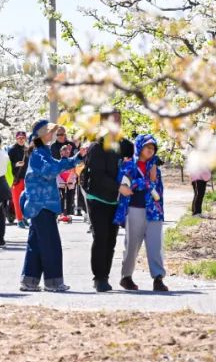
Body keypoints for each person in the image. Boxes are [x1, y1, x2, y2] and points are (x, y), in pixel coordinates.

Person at [19, 120, 79, 292]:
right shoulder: (39, 153)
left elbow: (55, 166)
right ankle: (53, 282)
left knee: (36, 245)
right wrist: (68, 159)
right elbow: (51, 171)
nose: (52, 134)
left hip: (39, 205)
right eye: (50, 131)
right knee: (51, 244)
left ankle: (29, 281)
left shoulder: (41, 151)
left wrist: (75, 158)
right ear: (41, 134)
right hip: (42, 204)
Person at [83, 107, 130, 292]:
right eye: (113, 120)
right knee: (101, 236)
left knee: (111, 239)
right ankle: (99, 277)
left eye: (119, 119)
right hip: (97, 198)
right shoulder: (97, 146)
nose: (117, 123)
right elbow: (98, 176)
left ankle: (106, 275)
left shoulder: (122, 145)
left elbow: (139, 154)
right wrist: (119, 187)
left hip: (114, 200)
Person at [116, 134, 169, 293]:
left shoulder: (155, 167)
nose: (150, 150)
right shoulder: (128, 165)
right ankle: (126, 276)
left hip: (153, 210)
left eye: (153, 148)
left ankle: (158, 278)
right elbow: (123, 185)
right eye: (147, 147)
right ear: (139, 147)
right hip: (134, 208)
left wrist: (152, 179)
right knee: (132, 245)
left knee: (155, 245)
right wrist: (141, 182)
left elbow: (158, 190)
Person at [8, 131, 28, 229]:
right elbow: (7, 165)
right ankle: (19, 220)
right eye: (19, 138)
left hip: (26, 178)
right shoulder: (12, 150)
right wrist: (16, 164)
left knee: (25, 200)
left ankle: (24, 217)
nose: (21, 140)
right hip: (16, 178)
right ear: (16, 139)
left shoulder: (27, 149)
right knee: (17, 200)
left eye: (23, 138)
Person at [57, 143, 77, 222]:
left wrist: (69, 181)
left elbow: (73, 172)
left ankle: (68, 213)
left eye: (67, 153)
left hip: (69, 183)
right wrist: (61, 182)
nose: (65, 154)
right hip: (61, 184)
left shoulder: (71, 162)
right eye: (63, 152)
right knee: (61, 198)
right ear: (60, 153)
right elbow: (57, 174)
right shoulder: (58, 162)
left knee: (69, 198)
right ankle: (61, 213)